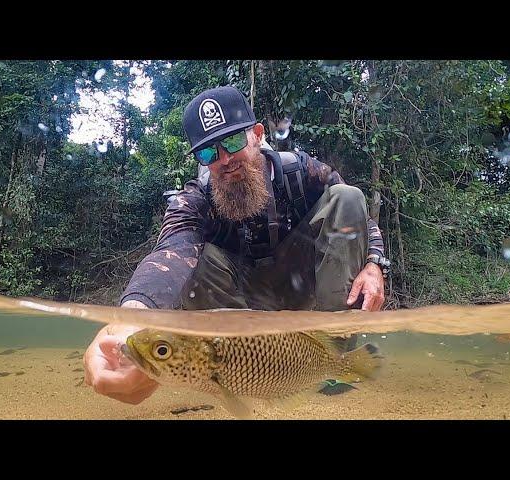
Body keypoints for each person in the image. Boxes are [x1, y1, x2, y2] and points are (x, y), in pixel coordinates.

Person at [84, 85, 390, 404]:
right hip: (237, 314)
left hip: (302, 286)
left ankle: (336, 356)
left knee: (348, 195)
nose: (225, 159)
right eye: (208, 152)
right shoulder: (195, 200)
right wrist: (129, 319)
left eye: (232, 141)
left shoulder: (301, 172)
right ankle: (248, 375)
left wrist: (373, 263)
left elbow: (358, 218)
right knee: (196, 258)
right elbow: (170, 252)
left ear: (257, 134)